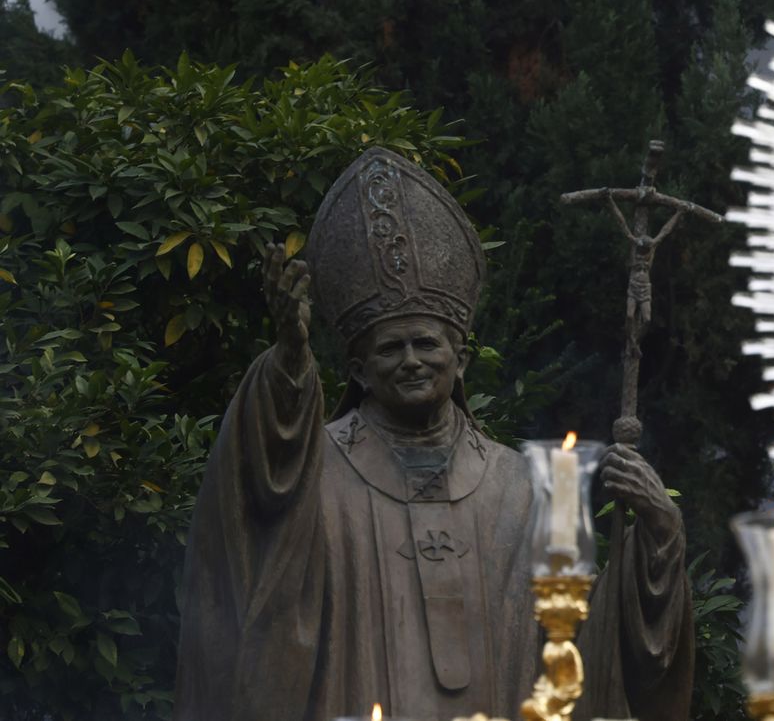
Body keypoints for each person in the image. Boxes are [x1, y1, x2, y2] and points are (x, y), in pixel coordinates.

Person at [175, 148, 692, 721]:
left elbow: (582, 653)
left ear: (461, 359)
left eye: (427, 344)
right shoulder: (314, 472)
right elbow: (251, 496)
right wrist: (290, 362)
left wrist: (658, 536)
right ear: (357, 370)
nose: (412, 361)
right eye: (390, 348)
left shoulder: (521, 487)